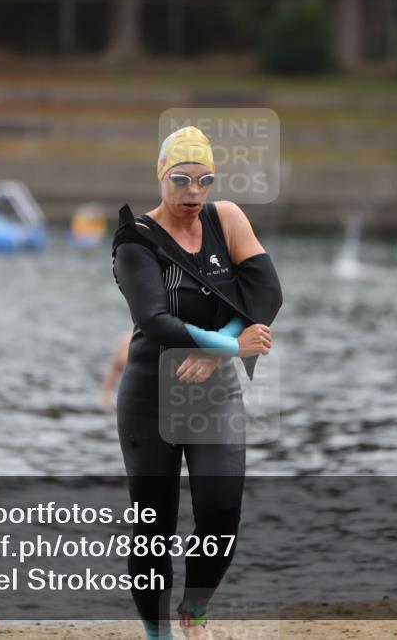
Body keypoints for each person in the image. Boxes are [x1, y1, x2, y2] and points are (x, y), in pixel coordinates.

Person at [111, 126, 283, 640]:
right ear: (161, 175)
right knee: (153, 526)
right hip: (150, 395)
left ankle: (195, 609)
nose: (193, 191)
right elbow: (155, 319)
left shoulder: (226, 219)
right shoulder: (135, 240)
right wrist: (230, 346)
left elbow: (266, 293)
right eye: (181, 179)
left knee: (222, 511)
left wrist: (215, 353)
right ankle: (158, 633)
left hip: (214, 393)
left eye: (204, 180)